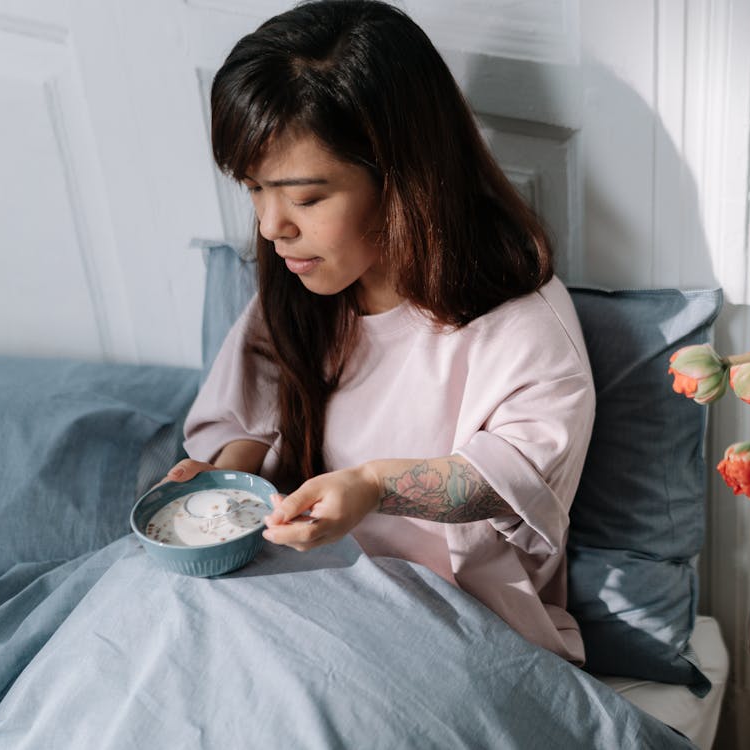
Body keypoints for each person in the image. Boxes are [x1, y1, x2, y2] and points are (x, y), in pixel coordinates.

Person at [167, 0, 595, 665]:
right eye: (253, 188)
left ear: (402, 180)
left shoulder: (521, 326)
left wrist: (371, 485)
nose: (271, 225)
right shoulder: (306, 285)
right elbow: (244, 420)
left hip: (449, 629)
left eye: (306, 198)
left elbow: (507, 482)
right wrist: (224, 488)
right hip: (290, 595)